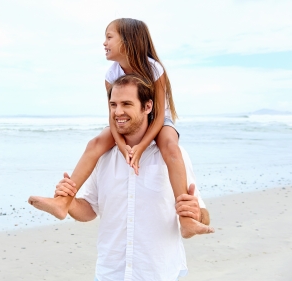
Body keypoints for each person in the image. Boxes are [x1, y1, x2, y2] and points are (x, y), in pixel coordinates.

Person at [29, 18, 210, 238]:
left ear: (128, 41)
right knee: (94, 144)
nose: (104, 43)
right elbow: (112, 117)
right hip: (125, 126)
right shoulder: (111, 75)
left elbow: (160, 114)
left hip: (160, 121)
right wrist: (123, 146)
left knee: (171, 148)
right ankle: (63, 201)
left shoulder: (153, 68)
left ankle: (187, 218)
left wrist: (142, 146)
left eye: (109, 37)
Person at [53, 74, 213, 280]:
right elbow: (90, 210)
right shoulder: (103, 156)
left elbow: (202, 213)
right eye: (113, 104)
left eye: (127, 104)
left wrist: (196, 214)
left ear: (147, 107)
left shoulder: (173, 157)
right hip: (109, 273)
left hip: (158, 274)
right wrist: (70, 200)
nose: (118, 112)